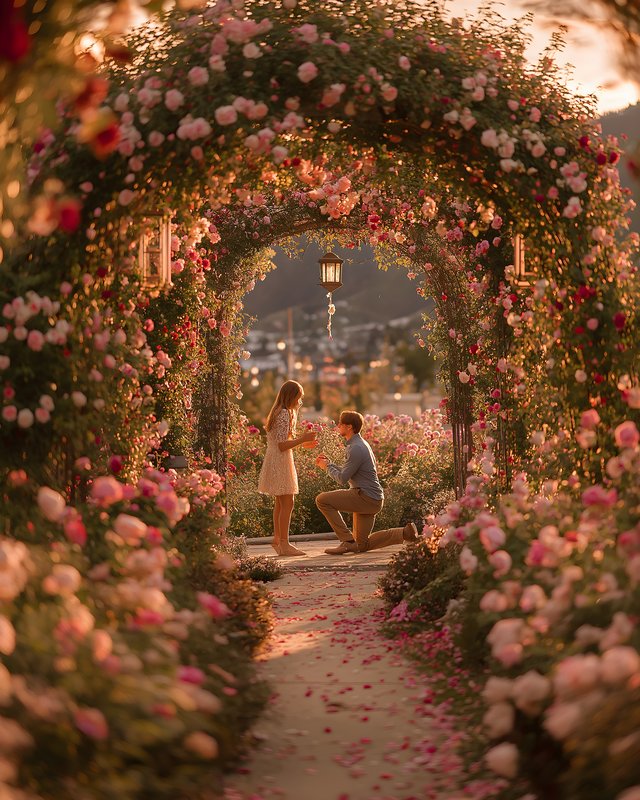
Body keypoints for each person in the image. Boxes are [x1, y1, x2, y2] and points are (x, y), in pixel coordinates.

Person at [315, 410, 418, 555]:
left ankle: (347, 541)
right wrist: (330, 464)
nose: (338, 426)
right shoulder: (359, 444)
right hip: (372, 498)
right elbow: (348, 472)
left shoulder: (356, 448)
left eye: (340, 423)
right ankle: (405, 533)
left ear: (349, 427)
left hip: (365, 497)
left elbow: (342, 479)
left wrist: (327, 467)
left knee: (322, 500)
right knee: (362, 545)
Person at [258, 380, 317, 556]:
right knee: (288, 502)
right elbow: (283, 445)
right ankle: (285, 544)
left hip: (275, 458)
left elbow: (280, 442)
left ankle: (277, 540)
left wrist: (302, 443)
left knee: (280, 502)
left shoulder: (278, 412)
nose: (299, 402)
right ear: (291, 396)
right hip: (281, 460)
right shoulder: (284, 413)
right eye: (298, 398)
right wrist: (303, 439)